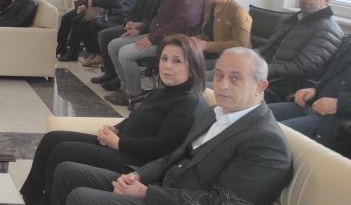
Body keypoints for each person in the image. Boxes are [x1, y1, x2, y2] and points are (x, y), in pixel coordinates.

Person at [49, 48, 292, 205]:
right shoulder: (214, 113)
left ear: (260, 86)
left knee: (82, 197)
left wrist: (146, 193)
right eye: (218, 75)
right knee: (68, 171)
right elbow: (171, 158)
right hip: (160, 186)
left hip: (168, 199)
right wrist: (138, 175)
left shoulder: (266, 141)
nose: (223, 85)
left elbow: (223, 201)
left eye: (235, 78)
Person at [20, 34, 208, 205]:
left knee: (63, 151)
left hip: (135, 161)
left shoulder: (188, 103)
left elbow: (161, 148)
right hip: (123, 144)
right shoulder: (164, 90)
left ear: (192, 68)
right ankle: (30, 197)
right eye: (164, 58)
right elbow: (136, 117)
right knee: (52, 138)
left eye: (176, 61)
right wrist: (116, 128)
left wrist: (118, 143)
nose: (167, 66)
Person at [105, 0, 204, 109]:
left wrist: (152, 37)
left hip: (174, 42)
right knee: (114, 44)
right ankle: (124, 88)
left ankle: (133, 94)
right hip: (157, 35)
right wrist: (141, 29)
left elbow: (181, 22)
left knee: (125, 53)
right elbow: (156, 19)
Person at [258, 0, 343, 102]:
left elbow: (301, 68)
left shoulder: (328, 30)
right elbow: (266, 48)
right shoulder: (291, 20)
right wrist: (245, 57)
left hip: (286, 87)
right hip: (264, 76)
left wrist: (257, 68)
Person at [271, 35, 351, 157]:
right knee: (255, 115)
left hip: (335, 121)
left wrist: (339, 104)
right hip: (312, 103)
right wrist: (315, 88)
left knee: (272, 134)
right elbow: (329, 76)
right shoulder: (347, 40)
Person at [92, 0, 164, 89]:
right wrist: (130, 21)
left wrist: (140, 27)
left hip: (148, 30)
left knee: (110, 37)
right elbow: (135, 9)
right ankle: (110, 73)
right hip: (136, 24)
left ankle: (118, 79)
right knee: (104, 34)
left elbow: (158, 18)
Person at [74, 0, 137, 67]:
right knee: (82, 23)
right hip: (109, 12)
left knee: (95, 25)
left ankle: (100, 55)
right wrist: (98, 0)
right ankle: (91, 54)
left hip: (122, 16)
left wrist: (96, 1)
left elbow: (115, 2)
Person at [189, 0, 252, 68]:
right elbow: (209, 34)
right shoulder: (210, 7)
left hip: (233, 60)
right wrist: (195, 40)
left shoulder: (238, 12)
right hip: (210, 54)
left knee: (190, 67)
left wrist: (206, 45)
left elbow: (241, 45)